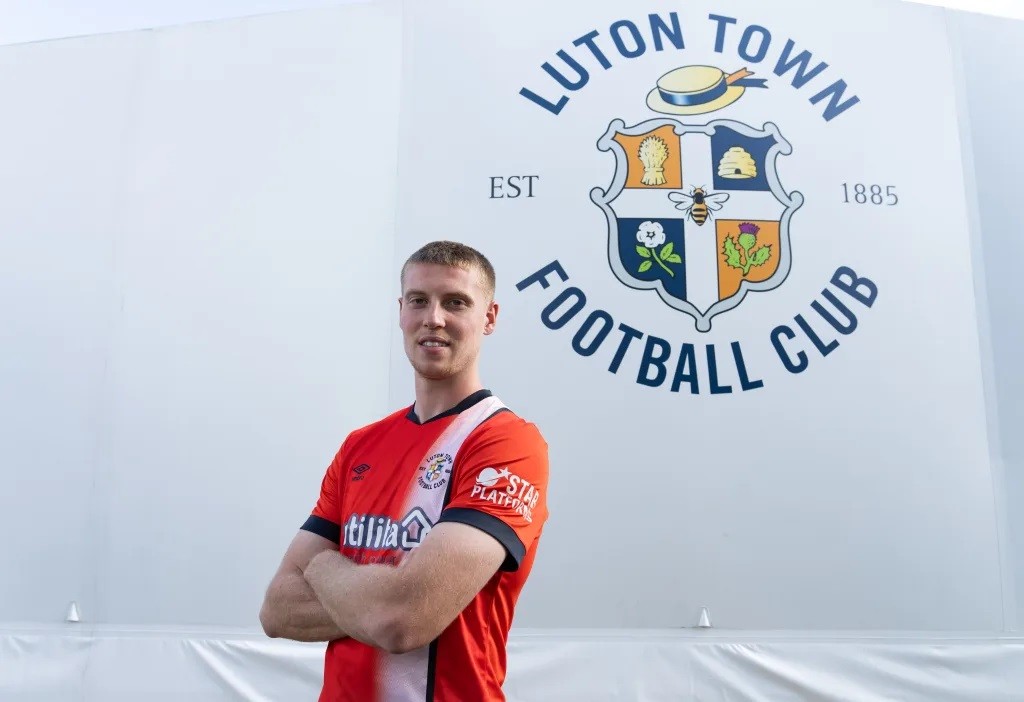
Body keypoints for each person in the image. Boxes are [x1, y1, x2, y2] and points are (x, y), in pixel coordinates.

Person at [259, 240, 549, 702]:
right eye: (419, 300)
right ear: (401, 311)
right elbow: (277, 610)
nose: (433, 317)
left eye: (455, 302)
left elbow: (402, 621)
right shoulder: (360, 446)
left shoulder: (505, 442)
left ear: (489, 317)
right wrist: (385, 599)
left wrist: (323, 567)